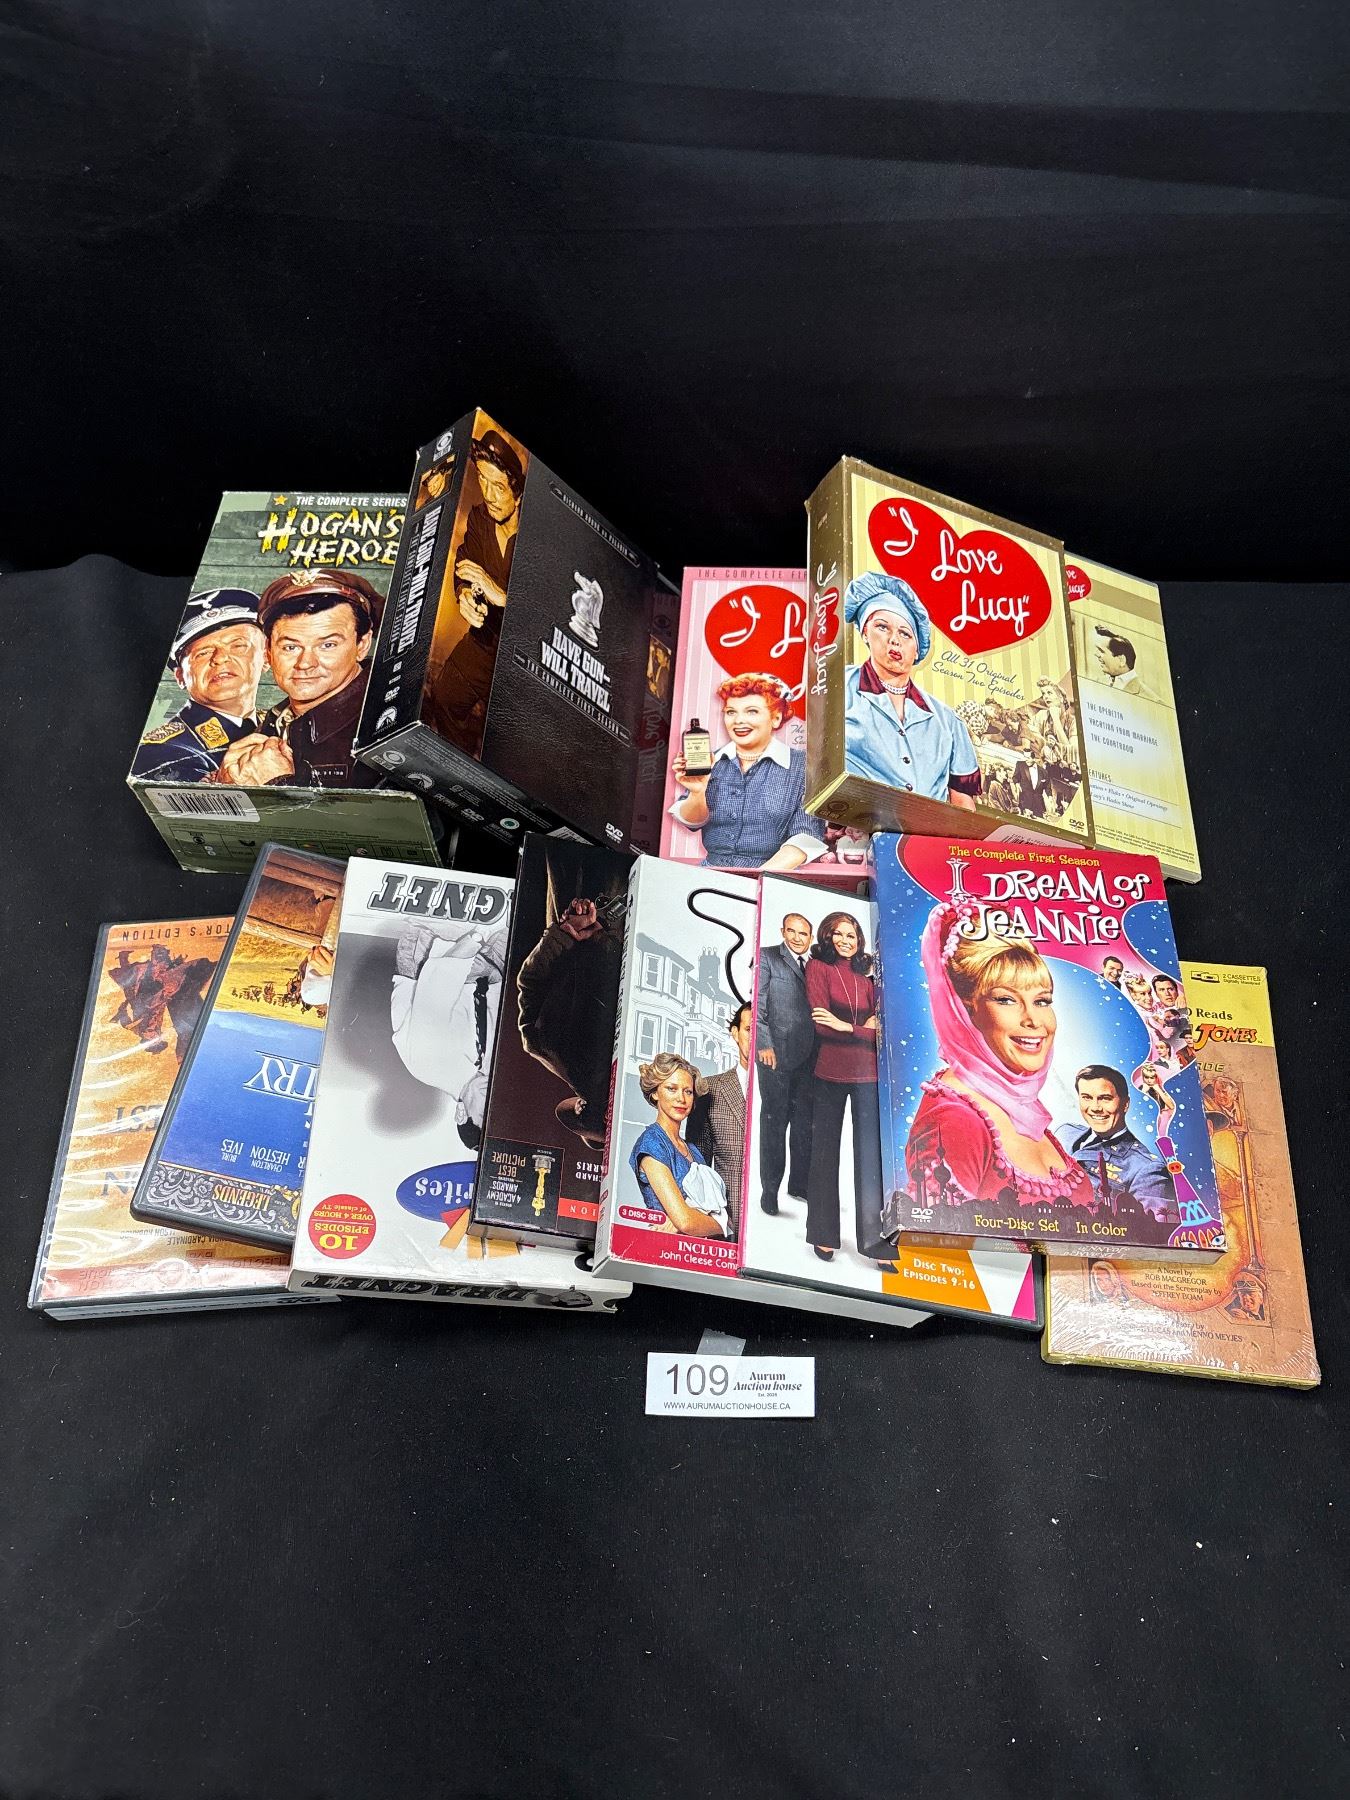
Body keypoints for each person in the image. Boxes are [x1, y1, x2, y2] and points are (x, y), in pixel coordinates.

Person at [905, 904, 1094, 1212]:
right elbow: (941, 1230)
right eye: (1006, 999)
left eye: (1042, 1001)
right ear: (964, 1008)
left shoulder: (1022, 1110)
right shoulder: (954, 1119)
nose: (1033, 1020)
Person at [220, 570, 384, 788]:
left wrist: (278, 784)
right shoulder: (275, 721)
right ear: (268, 651)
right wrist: (225, 786)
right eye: (291, 647)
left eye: (327, 645)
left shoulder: (388, 730)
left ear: (362, 645)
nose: (305, 663)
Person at [515, 846, 628, 1150]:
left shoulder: (549, 1048)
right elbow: (530, 982)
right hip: (596, 914)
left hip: (590, 912)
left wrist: (568, 931)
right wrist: (567, 932)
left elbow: (531, 982)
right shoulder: (544, 1048)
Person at [841, 572, 981, 807]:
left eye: (905, 633)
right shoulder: (837, 689)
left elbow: (963, 804)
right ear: (865, 632)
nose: (894, 640)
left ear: (917, 650)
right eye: (882, 627)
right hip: (850, 825)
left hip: (925, 830)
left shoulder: (948, 721)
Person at [428, 428, 527, 755]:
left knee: (511, 739)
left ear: (517, 491)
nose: (489, 494)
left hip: (522, 656)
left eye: (498, 486)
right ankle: (463, 764)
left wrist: (503, 597)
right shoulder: (480, 518)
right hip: (485, 640)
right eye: (483, 480)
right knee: (444, 695)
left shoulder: (537, 537)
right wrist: (466, 596)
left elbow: (550, 610)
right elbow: (465, 558)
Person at [669, 673, 827, 869]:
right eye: (731, 712)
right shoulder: (712, 761)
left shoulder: (804, 766)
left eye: (752, 711)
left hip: (768, 878)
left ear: (776, 718)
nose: (738, 720)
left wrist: (754, 881)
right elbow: (692, 823)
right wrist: (697, 791)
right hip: (708, 874)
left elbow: (805, 836)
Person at [802, 911, 887, 1262]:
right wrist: (862, 1029)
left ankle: (878, 1243)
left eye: (851, 935)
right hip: (828, 1073)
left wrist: (847, 1026)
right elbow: (822, 1026)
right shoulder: (818, 969)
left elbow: (881, 1034)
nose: (845, 941)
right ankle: (823, 1234)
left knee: (871, 1159)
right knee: (824, 1155)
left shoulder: (868, 980)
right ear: (827, 936)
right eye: (838, 934)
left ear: (859, 941)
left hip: (868, 1075)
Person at [130, 589, 266, 781]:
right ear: (180, 677)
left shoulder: (282, 725)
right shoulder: (161, 751)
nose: (220, 658)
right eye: (202, 653)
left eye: (238, 645)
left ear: (266, 658)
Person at [1056, 1064, 1178, 1222]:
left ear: (1125, 1104)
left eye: (1105, 1098)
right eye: (1087, 1097)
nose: (1095, 1108)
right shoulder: (1064, 1133)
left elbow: (1155, 1229)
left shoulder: (1146, 1169)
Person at [755, 911, 818, 1215]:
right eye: (791, 931)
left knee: (804, 1122)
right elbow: (758, 1004)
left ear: (811, 937)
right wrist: (764, 1044)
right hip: (775, 1056)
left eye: (803, 933)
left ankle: (799, 1185)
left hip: (809, 1056)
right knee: (774, 1122)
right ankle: (769, 1191)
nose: (796, 938)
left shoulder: (815, 964)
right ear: (782, 931)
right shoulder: (767, 957)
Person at [629, 1053, 730, 1238]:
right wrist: (717, 1223)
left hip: (696, 1249)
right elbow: (686, 1222)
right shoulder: (652, 1143)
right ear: (655, 1093)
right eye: (671, 1089)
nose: (681, 1099)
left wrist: (714, 1222)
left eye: (688, 1091)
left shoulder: (693, 1151)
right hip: (664, 1247)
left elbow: (724, 1220)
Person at [691, 1003, 751, 1235]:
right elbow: (699, 1167)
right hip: (730, 1230)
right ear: (735, 1033)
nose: (757, 1038)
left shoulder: (791, 1093)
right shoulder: (710, 1090)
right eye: (749, 1029)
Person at [1093, 627, 1160, 701]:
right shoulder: (1097, 682)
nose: (1096, 654)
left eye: (1101, 651)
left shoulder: (1152, 700)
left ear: (1122, 660)